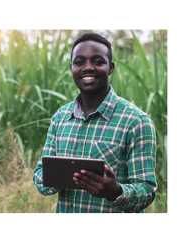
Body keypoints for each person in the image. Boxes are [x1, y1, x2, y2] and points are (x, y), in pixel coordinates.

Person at [33, 32, 157, 213]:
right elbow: (39, 175)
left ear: (111, 67)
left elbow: (147, 191)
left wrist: (115, 192)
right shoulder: (60, 118)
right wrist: (55, 177)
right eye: (79, 62)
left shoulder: (137, 122)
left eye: (97, 61)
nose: (87, 68)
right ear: (72, 68)